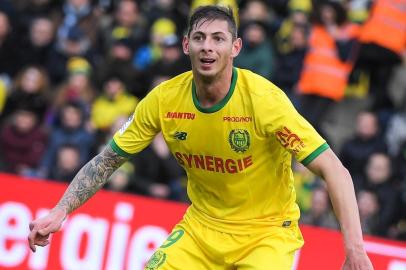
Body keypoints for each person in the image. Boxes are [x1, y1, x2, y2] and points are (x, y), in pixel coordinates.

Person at [28, 5, 373, 269]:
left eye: (218, 39)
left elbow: (335, 171)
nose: (208, 48)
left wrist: (354, 249)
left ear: (236, 47)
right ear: (185, 45)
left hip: (266, 233)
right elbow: (107, 160)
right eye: (200, 38)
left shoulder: (265, 102)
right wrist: (60, 212)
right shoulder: (164, 100)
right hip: (202, 227)